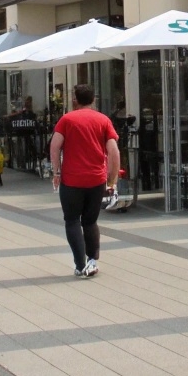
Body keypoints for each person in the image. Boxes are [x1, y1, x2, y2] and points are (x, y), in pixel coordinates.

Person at [48, 84, 119, 278]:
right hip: (96, 179)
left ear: (75, 100)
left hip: (71, 180)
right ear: (93, 99)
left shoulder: (66, 120)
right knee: (90, 221)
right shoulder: (103, 120)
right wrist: (112, 180)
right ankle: (92, 261)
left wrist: (56, 172)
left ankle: (80, 265)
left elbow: (55, 147)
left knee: (72, 220)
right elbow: (114, 151)